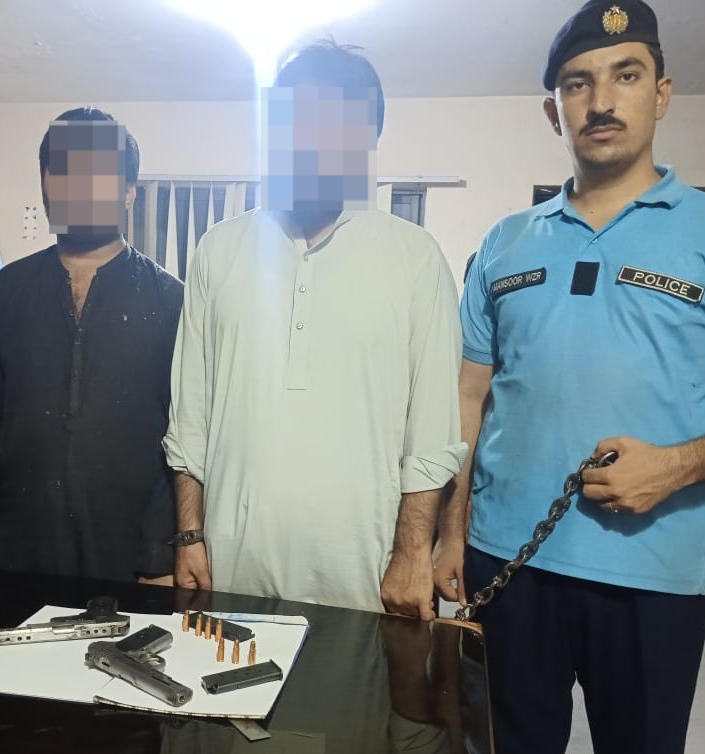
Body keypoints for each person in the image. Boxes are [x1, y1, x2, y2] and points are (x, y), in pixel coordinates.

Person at [433, 2, 705, 753]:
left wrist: (677, 466)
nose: (601, 100)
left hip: (654, 575)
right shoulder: (503, 242)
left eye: (626, 75)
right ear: (554, 112)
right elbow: (468, 398)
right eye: (578, 83)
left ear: (662, 93)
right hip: (505, 563)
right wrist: (449, 536)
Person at [164, 41, 466, 615]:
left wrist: (411, 554)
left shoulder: (415, 258)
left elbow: (431, 434)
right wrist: (189, 534)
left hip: (362, 579)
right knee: (225, 678)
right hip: (229, 571)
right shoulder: (219, 251)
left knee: (353, 681)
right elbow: (190, 419)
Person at [0, 107, 183, 584]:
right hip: (17, 553)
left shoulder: (173, 301)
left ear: (128, 191)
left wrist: (163, 554)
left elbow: (184, 434)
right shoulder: (7, 292)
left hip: (136, 563)